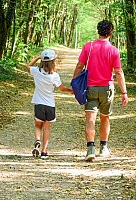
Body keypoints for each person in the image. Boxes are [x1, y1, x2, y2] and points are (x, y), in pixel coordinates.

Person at [72, 20, 128, 161]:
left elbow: (80, 66)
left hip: (90, 88)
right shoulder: (114, 50)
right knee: (105, 117)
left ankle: (90, 149)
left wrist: (75, 82)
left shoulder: (89, 46)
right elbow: (119, 72)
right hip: (107, 89)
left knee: (90, 118)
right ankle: (103, 148)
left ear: (98, 31)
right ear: (111, 32)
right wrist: (124, 92)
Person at [27, 49, 73, 159]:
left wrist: (38, 57)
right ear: (53, 62)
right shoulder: (55, 76)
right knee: (46, 128)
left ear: (42, 61)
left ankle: (37, 140)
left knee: (38, 125)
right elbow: (62, 89)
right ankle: (43, 152)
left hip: (39, 103)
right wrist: (70, 90)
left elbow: (28, 66)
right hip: (50, 105)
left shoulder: (36, 71)